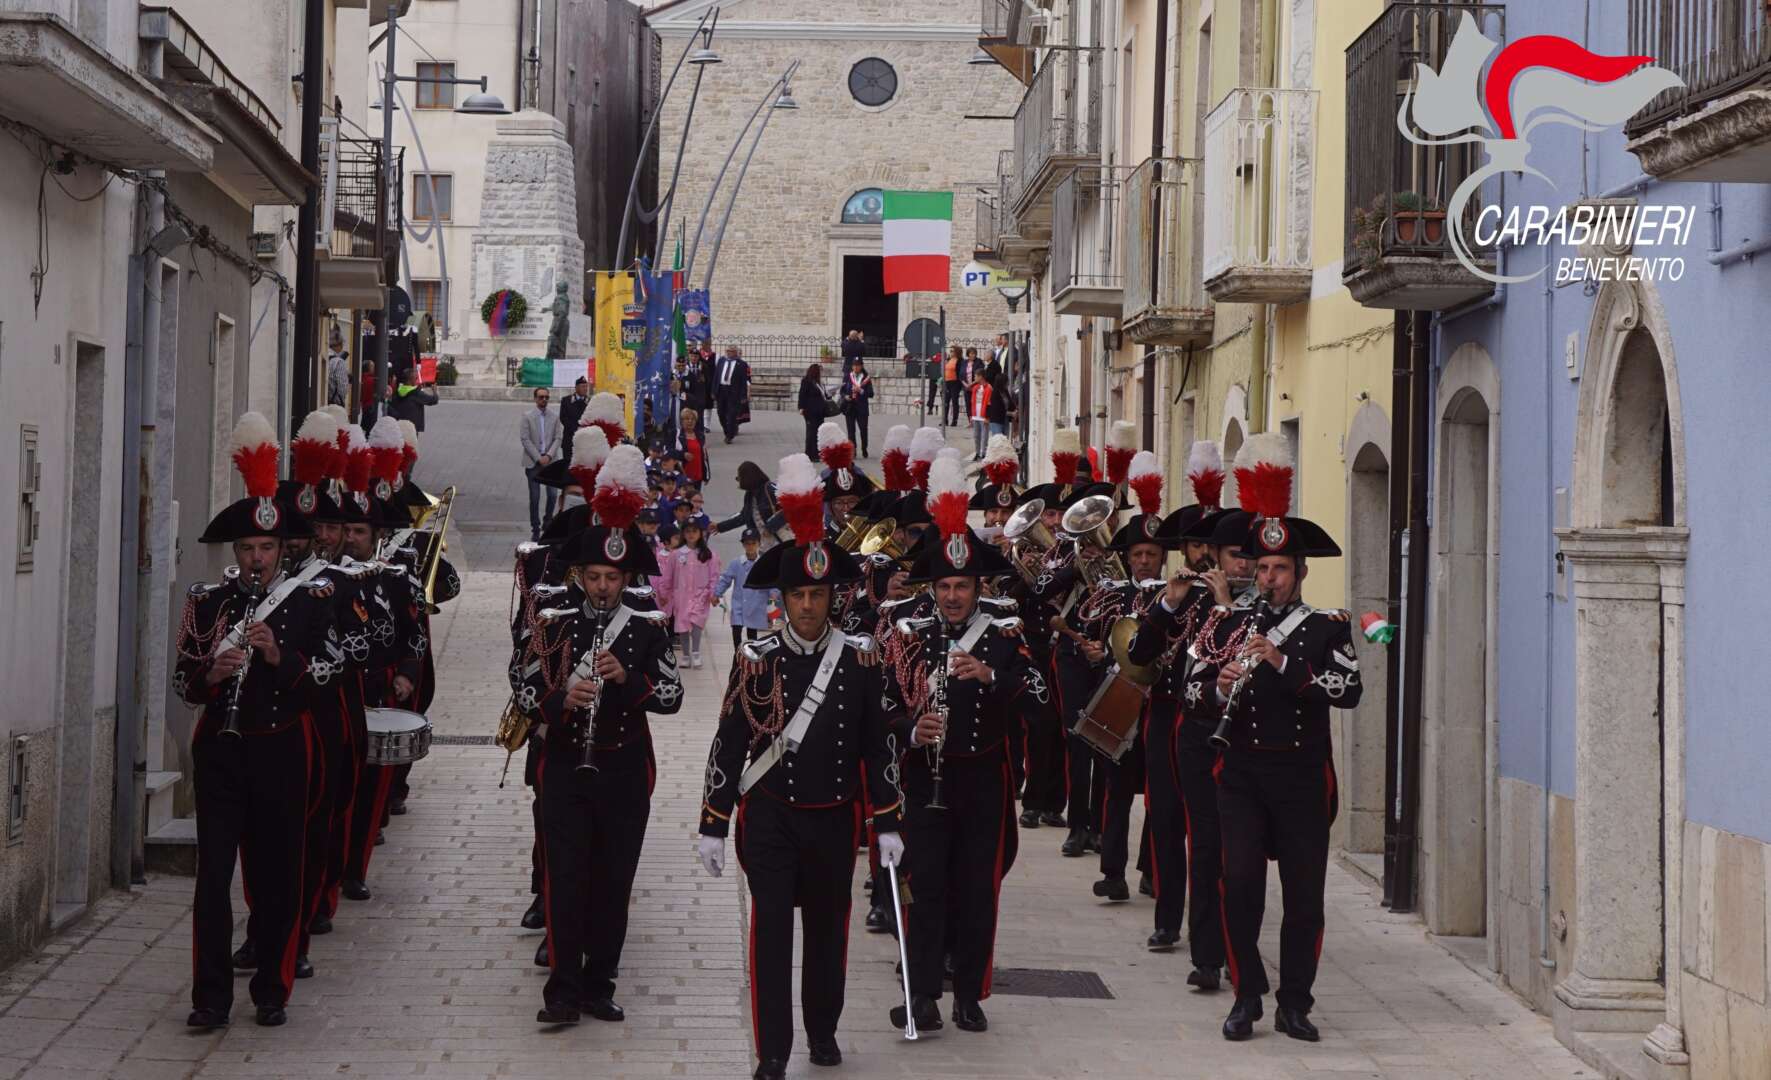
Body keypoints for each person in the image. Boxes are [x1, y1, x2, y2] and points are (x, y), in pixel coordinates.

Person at [697, 453, 905, 1080]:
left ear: (831, 597)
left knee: (826, 934)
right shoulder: (756, 656)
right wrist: (712, 820)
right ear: (781, 599)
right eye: (799, 595)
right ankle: (773, 1051)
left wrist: (888, 822)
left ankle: (822, 1030)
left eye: (818, 594)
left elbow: (878, 745)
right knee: (769, 938)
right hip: (770, 818)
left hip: (834, 818)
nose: (810, 605)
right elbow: (729, 739)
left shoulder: (861, 659)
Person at [175, 414, 337, 1030]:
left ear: (282, 549)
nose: (257, 559)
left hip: (282, 749)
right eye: (247, 549)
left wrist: (275, 654)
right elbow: (183, 680)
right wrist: (214, 675)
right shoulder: (209, 602)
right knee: (213, 877)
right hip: (222, 750)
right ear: (236, 551)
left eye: (267, 549)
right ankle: (209, 998)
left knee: (277, 874)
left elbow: (322, 677)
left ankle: (273, 987)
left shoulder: (307, 602)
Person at [515, 446, 683, 1026]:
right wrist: (563, 700)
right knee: (566, 879)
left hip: (623, 768)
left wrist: (628, 680)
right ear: (578, 575)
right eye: (594, 577)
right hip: (564, 766)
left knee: (614, 881)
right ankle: (561, 991)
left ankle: (598, 982)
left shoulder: (645, 626)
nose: (604, 587)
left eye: (613, 577)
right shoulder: (551, 620)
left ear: (626, 577)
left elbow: (671, 697)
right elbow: (521, 687)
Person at [1210, 435, 1361, 1045]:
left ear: (1300, 573)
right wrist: (1221, 685)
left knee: (1304, 898)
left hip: (1301, 775)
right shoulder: (1232, 623)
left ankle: (1295, 1002)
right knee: (1240, 883)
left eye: (1280, 569)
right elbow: (1197, 690)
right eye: (1262, 567)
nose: (1268, 577)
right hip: (1242, 772)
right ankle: (1246, 992)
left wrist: (1281, 663)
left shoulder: (1328, 628)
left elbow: (1346, 690)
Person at [887, 455, 1040, 1036]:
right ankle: (920, 995)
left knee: (978, 891)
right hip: (925, 777)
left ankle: (970, 995)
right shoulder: (905, 630)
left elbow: (1039, 693)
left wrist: (991, 678)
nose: (953, 597)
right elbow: (881, 702)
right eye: (945, 586)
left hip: (983, 780)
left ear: (980, 586)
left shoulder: (1004, 629)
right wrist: (909, 727)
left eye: (963, 586)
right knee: (924, 891)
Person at [1125, 441, 1226, 958]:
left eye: (1212, 546)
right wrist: (1169, 602)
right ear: (1182, 550)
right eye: (1195, 546)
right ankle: (1168, 917)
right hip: (1167, 715)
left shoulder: (1235, 600)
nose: (1203, 554)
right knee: (1164, 816)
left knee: (1210, 827)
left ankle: (1214, 927)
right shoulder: (1161, 594)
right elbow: (1139, 653)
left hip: (1217, 720)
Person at [659, 519, 720, 668]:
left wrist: (713, 594)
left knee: (697, 624)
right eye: (688, 531)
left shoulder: (708, 554)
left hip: (701, 595)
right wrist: (664, 594)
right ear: (683, 534)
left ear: (700, 533)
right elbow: (668, 575)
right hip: (682, 597)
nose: (691, 535)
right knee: (683, 626)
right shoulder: (676, 554)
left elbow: (714, 576)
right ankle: (686, 655)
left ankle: (696, 652)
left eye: (695, 531)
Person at [714, 527, 775, 655]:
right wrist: (717, 593)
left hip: (756, 605)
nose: (750, 546)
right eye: (747, 543)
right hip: (739, 604)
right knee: (736, 631)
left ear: (759, 543)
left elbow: (771, 582)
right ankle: (738, 656)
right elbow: (726, 579)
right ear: (743, 544)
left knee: (752, 635)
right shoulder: (736, 563)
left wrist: (774, 596)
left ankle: (751, 657)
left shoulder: (764, 564)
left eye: (753, 543)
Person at [520, 387, 563, 541]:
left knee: (552, 495)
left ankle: (547, 521)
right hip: (533, 462)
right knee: (535, 497)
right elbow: (525, 439)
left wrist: (549, 455)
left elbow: (558, 438)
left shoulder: (554, 417)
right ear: (535, 399)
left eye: (546, 397)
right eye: (541, 397)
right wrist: (539, 458)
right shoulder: (527, 417)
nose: (544, 400)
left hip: (551, 462)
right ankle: (535, 527)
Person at [712, 461, 780, 548]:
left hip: (779, 541)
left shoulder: (770, 489)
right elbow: (744, 517)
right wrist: (720, 527)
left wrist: (770, 527)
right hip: (763, 544)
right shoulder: (750, 495)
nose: (739, 482)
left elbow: (787, 511)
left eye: (739, 478)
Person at [386, 365, 439, 434]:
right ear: (410, 380)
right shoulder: (416, 393)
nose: (417, 380)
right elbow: (433, 400)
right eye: (416, 378)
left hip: (399, 426)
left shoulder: (397, 391)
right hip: (412, 428)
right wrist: (434, 391)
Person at [715, 345, 751, 443]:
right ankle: (727, 431)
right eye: (728, 351)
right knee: (720, 413)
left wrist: (743, 395)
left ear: (736, 352)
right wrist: (713, 391)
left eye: (731, 351)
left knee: (731, 414)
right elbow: (717, 376)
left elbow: (744, 381)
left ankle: (729, 436)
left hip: (734, 392)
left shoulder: (742, 364)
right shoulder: (721, 361)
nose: (729, 353)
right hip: (722, 390)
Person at [840, 357, 875, 456]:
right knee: (851, 430)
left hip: (862, 408)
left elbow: (871, 393)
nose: (856, 367)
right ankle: (853, 450)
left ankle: (864, 448)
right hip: (850, 407)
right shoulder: (847, 376)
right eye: (854, 365)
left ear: (861, 366)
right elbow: (841, 391)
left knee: (863, 429)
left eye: (858, 365)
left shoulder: (866, 378)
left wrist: (861, 391)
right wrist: (845, 396)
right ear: (852, 366)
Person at [796, 363, 828, 459]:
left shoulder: (819, 383)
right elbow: (802, 394)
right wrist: (801, 407)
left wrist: (830, 393)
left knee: (819, 432)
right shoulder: (806, 381)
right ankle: (810, 453)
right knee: (811, 432)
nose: (821, 374)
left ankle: (817, 453)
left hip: (820, 411)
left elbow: (823, 395)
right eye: (820, 372)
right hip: (810, 410)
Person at [559, 377, 590, 458]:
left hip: (585, 443)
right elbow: (563, 418)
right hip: (569, 441)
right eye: (583, 386)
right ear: (576, 388)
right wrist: (576, 430)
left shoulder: (590, 401)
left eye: (586, 386)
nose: (585, 389)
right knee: (567, 467)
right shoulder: (566, 400)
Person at [967, 367, 993, 460]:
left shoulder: (989, 388)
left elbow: (989, 403)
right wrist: (971, 416)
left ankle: (983, 453)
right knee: (976, 436)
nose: (974, 377)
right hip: (975, 415)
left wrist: (987, 416)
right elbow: (968, 389)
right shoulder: (976, 387)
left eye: (976, 376)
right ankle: (977, 453)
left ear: (981, 377)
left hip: (983, 415)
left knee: (984, 436)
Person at [679, 407, 707, 484]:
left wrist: (705, 474)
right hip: (684, 475)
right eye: (687, 419)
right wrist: (683, 455)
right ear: (682, 421)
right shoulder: (678, 436)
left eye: (693, 419)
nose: (690, 421)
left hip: (698, 475)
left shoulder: (700, 435)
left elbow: (702, 456)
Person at [942, 345, 963, 428]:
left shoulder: (960, 361)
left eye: (952, 351)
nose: (950, 353)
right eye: (950, 351)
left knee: (954, 402)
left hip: (955, 383)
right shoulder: (948, 360)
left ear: (957, 352)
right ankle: (945, 420)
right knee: (945, 402)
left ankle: (954, 420)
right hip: (947, 382)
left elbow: (960, 373)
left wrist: (960, 384)